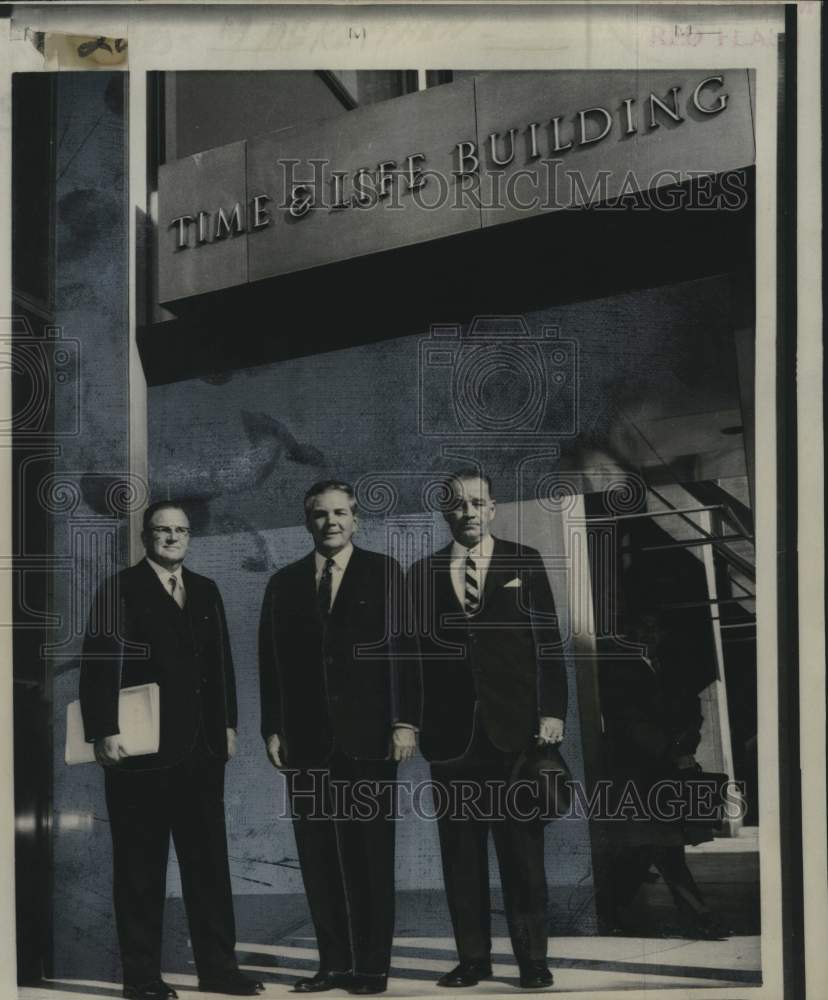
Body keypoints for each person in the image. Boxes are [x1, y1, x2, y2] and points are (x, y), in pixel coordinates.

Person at [79, 501, 264, 1000]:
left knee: (209, 866)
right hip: (139, 754)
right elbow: (98, 662)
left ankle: (219, 969)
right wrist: (103, 730)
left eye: (180, 531)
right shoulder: (119, 588)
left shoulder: (206, 590)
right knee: (140, 869)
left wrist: (227, 725)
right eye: (163, 530)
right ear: (145, 536)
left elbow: (221, 664)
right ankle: (141, 978)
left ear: (189, 538)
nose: (172, 538)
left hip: (202, 752)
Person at [408, 470, 567, 990]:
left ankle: (532, 962)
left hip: (515, 734)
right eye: (457, 505)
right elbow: (411, 658)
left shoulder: (524, 561)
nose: (468, 512)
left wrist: (553, 712)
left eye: (477, 503)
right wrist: (409, 721)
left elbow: (547, 642)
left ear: (493, 508)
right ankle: (473, 961)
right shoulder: (422, 574)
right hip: (451, 741)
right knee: (461, 858)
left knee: (522, 857)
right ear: (444, 513)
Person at [258, 480, 418, 996]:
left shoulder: (385, 573)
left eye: (341, 513)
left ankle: (371, 969)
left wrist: (405, 721)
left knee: (370, 857)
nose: (332, 522)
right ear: (308, 521)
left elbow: (406, 652)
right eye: (321, 514)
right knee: (318, 858)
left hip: (370, 740)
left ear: (357, 519)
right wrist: (272, 728)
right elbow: (270, 664)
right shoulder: (282, 584)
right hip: (306, 744)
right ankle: (332, 964)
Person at [597, 609, 725, 939]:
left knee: (650, 848)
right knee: (661, 847)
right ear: (630, 632)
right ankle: (698, 916)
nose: (650, 635)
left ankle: (611, 909)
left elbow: (690, 709)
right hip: (636, 774)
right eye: (643, 627)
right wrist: (673, 750)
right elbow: (626, 721)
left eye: (655, 628)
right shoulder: (618, 668)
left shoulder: (670, 667)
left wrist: (687, 743)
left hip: (666, 773)